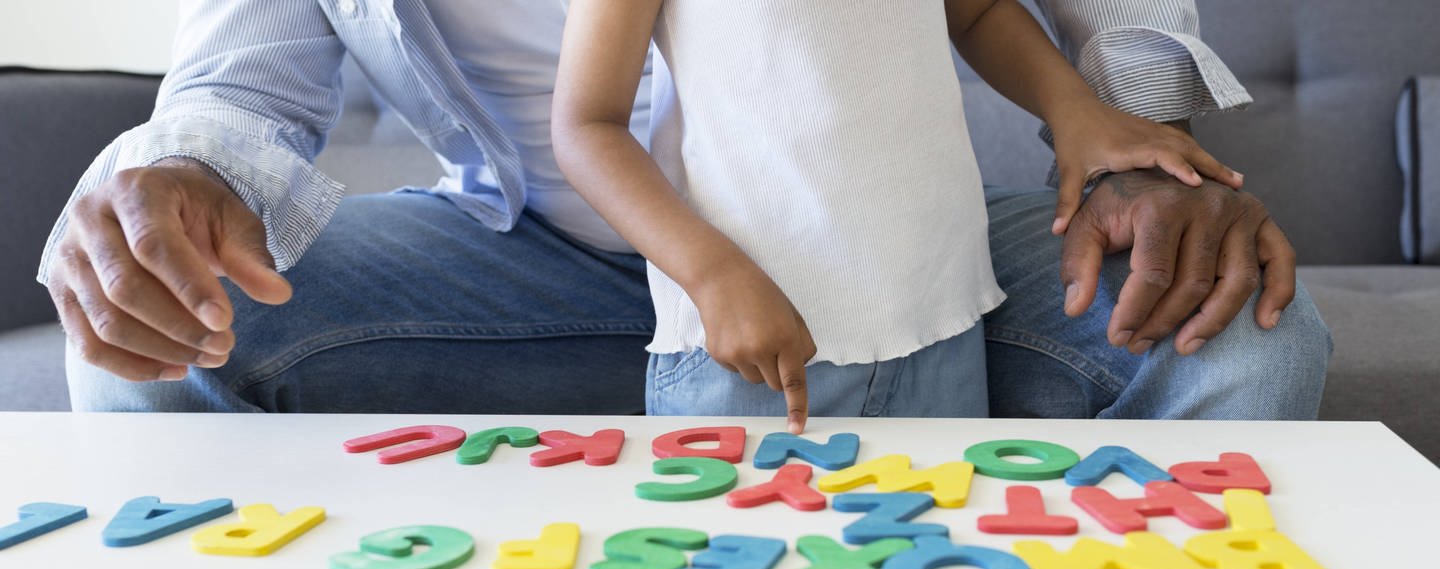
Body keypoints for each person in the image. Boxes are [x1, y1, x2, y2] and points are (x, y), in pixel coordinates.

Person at [37, 1, 1331, 421]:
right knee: (165, 330)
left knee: (1245, 337)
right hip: (532, 256)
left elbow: (983, 10)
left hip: (901, 233)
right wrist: (177, 178)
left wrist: (1116, 137)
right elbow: (584, 122)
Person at [552, 0, 1245, 433]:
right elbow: (587, 125)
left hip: (938, 327)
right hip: (753, 351)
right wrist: (710, 275)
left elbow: (974, 12)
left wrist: (1075, 109)